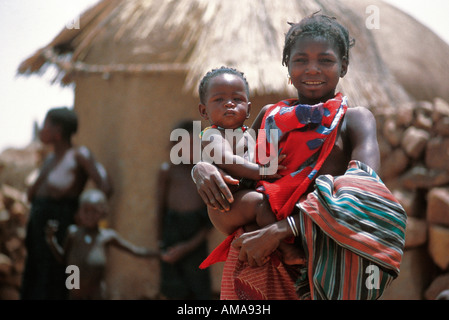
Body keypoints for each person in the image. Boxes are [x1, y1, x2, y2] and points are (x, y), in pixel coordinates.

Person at [192, 13, 406, 300]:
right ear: (287, 66)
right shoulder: (269, 116)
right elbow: (235, 159)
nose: (312, 69)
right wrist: (201, 167)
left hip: (317, 262)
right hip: (254, 261)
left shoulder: (355, 120)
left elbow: (365, 194)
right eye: (301, 60)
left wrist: (284, 229)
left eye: (326, 60)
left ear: (343, 66)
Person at [196, 67, 305, 273]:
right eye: (219, 100)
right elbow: (225, 159)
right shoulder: (211, 135)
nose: (229, 103)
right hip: (226, 206)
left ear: (248, 108)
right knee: (260, 204)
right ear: (204, 111)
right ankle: (286, 249)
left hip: (244, 198)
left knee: (263, 202)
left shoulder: (249, 134)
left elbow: (268, 143)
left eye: (237, 99)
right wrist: (261, 172)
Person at [21, 106, 113, 300]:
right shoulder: (50, 159)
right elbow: (32, 193)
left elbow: (105, 186)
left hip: (61, 227)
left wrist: (86, 217)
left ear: (58, 130)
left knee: (56, 278)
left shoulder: (79, 155)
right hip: (39, 228)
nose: (42, 129)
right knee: (35, 276)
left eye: (46, 124)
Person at [45, 189, 157, 300]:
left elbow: (134, 250)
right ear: (79, 212)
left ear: (103, 212)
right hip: (75, 293)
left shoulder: (106, 236)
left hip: (96, 293)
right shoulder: (73, 233)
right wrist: (51, 240)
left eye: (94, 211)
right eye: (86, 211)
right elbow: (63, 259)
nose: (90, 215)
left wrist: (158, 254)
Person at [156, 119, 213, 300]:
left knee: (199, 290)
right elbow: (160, 210)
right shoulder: (168, 171)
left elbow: (209, 221)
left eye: (194, 144)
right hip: (171, 238)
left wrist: (186, 247)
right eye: (184, 144)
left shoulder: (205, 173)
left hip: (195, 240)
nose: (190, 149)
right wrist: (160, 244)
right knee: (173, 289)